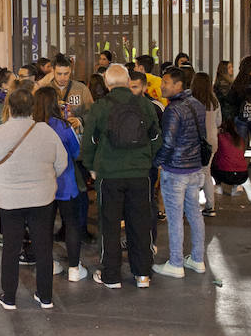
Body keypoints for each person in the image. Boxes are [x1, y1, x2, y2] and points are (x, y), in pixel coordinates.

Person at [0, 88, 67, 310]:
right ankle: (45, 297)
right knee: (44, 247)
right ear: (32, 108)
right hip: (42, 199)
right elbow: (61, 162)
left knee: (10, 248)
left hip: (9, 200)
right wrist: (46, 178)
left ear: (8, 107)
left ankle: (9, 297)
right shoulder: (46, 132)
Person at [81, 65, 161, 289]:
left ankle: (111, 276)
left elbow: (89, 142)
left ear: (107, 84)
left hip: (109, 174)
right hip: (139, 174)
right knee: (140, 223)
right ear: (128, 82)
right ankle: (142, 274)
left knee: (110, 225)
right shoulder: (145, 105)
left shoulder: (100, 107)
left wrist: (91, 166)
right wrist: (145, 160)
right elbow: (157, 138)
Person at [152, 67, 206, 279]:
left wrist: (157, 162)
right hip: (195, 169)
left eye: (166, 82)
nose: (161, 86)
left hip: (175, 171)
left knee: (175, 219)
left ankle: (176, 262)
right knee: (194, 214)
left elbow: (167, 143)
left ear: (178, 85)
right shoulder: (197, 105)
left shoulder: (173, 110)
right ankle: (197, 259)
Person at [34, 87, 87, 282]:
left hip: (41, 186)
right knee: (72, 224)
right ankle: (74, 268)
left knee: (44, 226)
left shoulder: (32, 127)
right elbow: (76, 152)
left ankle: (48, 265)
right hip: (65, 184)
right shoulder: (63, 126)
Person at [129, 71, 164, 252]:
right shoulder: (122, 106)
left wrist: (153, 160)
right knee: (131, 204)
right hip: (129, 166)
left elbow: (160, 137)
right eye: (129, 86)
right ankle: (133, 238)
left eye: (134, 86)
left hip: (147, 165)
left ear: (143, 87)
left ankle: (150, 241)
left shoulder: (155, 107)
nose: (131, 90)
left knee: (148, 202)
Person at [191, 72, 221, 217]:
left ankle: (191, 204)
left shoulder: (191, 101)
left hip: (194, 142)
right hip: (211, 142)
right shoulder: (214, 101)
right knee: (206, 173)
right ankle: (210, 206)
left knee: (192, 174)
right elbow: (219, 121)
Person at [229, 57, 251, 168]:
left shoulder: (237, 82)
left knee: (240, 144)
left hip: (240, 117)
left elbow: (232, 101)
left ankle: (238, 166)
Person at [46, 54, 93, 130]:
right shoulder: (46, 90)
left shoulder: (81, 89)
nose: (62, 78)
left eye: (66, 74)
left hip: (76, 134)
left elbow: (92, 112)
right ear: (53, 71)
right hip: (52, 134)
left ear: (70, 71)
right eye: (59, 74)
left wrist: (80, 120)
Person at [212, 118, 249, 195]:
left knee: (212, 163)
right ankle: (237, 186)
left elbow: (216, 153)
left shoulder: (220, 137)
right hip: (243, 175)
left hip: (225, 175)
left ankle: (218, 186)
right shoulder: (240, 139)